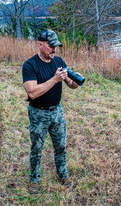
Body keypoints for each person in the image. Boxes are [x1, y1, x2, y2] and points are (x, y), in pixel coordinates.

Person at [22, 29, 82, 194]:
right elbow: (32, 92)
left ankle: (63, 174)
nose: (54, 50)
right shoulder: (30, 65)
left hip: (57, 112)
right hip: (38, 113)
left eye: (56, 46)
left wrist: (75, 79)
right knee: (37, 148)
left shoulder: (59, 61)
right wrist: (55, 79)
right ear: (40, 45)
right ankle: (34, 179)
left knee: (61, 146)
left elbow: (72, 85)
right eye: (51, 46)